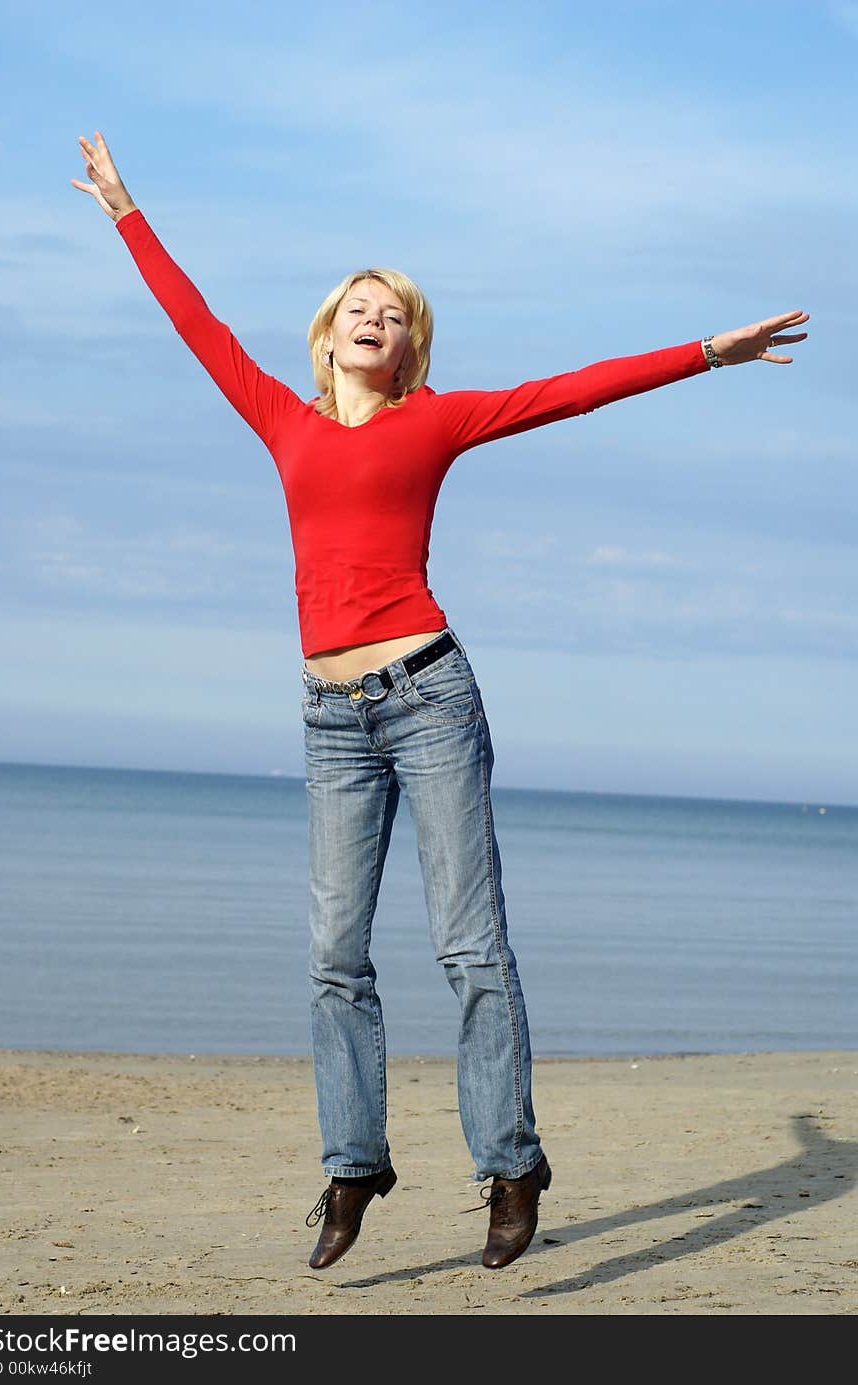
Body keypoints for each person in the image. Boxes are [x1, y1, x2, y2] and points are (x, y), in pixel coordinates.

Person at [72, 130, 809, 1272]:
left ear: (408, 344)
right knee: (333, 954)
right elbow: (194, 320)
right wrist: (126, 209)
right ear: (325, 335)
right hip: (328, 719)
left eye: (395, 310)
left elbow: (569, 392)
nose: (376, 318)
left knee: (470, 947)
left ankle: (509, 1160)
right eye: (358, 306)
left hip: (429, 698)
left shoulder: (438, 418)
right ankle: (352, 1161)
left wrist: (708, 350)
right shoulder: (281, 418)